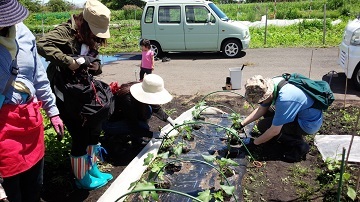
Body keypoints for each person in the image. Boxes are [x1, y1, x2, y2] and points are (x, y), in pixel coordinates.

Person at [37, 0, 113, 190]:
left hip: (82, 91)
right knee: (79, 134)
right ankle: (81, 178)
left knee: (94, 129)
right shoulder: (65, 31)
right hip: (66, 94)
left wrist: (96, 66)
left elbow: (93, 59)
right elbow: (41, 44)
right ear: (85, 23)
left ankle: (92, 168)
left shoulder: (89, 35)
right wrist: (68, 61)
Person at [0, 0, 64, 201]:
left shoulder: (24, 33)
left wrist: (52, 111)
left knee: (34, 187)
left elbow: (38, 76)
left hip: (30, 122)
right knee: (12, 194)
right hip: (3, 129)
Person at [240, 75, 323, 162]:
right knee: (269, 110)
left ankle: (299, 145)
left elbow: (274, 130)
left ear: (267, 94)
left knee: (264, 126)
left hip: (308, 124)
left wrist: (254, 143)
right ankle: (283, 135)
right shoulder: (272, 84)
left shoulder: (285, 99)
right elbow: (262, 109)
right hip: (300, 113)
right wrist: (242, 124)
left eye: (261, 100)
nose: (260, 103)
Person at [103, 74, 175, 141]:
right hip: (110, 124)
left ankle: (138, 132)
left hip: (126, 116)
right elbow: (133, 126)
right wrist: (153, 134)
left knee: (148, 110)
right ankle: (132, 138)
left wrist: (170, 120)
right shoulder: (128, 99)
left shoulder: (142, 87)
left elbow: (155, 107)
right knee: (143, 127)